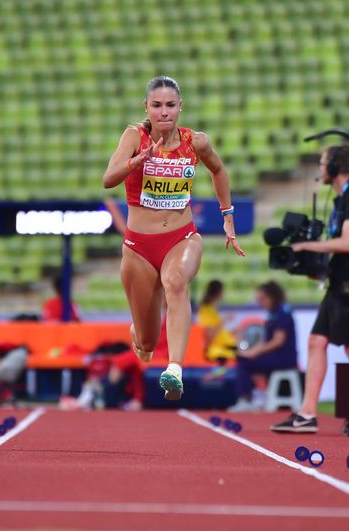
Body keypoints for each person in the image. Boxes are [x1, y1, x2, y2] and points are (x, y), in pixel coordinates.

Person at [102, 75, 245, 401]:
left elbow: (219, 171)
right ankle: (139, 334)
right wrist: (135, 162)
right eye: (157, 105)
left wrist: (228, 216)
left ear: (180, 107)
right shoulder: (133, 137)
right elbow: (108, 179)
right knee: (147, 344)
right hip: (138, 248)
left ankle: (175, 369)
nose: (164, 112)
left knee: (177, 282)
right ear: (147, 108)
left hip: (181, 237)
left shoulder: (195, 142)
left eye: (170, 105)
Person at [271, 144, 349, 435]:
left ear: (335, 167)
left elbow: (347, 243)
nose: (320, 169)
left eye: (323, 164)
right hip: (339, 281)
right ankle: (307, 413)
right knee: (317, 342)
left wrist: (306, 246)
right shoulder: (342, 200)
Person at [228, 281, 298, 412]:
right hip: (276, 356)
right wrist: (252, 350)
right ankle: (257, 395)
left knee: (245, 362)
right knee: (245, 357)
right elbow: (266, 340)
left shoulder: (283, 313)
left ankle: (246, 399)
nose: (260, 303)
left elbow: (278, 341)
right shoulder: (274, 314)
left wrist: (255, 352)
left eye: (261, 299)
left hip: (283, 358)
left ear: (271, 297)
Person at [196, 279, 237, 362]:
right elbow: (210, 335)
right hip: (218, 350)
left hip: (226, 346)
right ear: (218, 292)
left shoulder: (212, 310)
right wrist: (224, 320)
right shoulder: (206, 311)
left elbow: (219, 333)